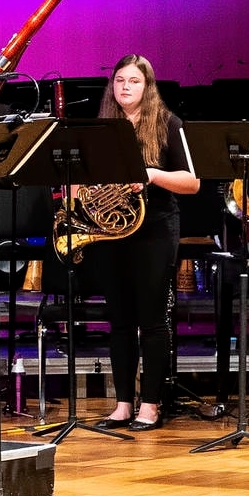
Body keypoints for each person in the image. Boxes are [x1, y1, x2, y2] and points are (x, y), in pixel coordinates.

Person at [89, 55, 201, 433]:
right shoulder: (102, 127)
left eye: (134, 81)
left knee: (151, 321)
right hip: (111, 231)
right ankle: (122, 404)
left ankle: (150, 405)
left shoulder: (169, 124)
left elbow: (192, 182)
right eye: (119, 80)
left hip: (154, 229)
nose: (125, 87)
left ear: (147, 86)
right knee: (119, 322)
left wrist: (151, 175)